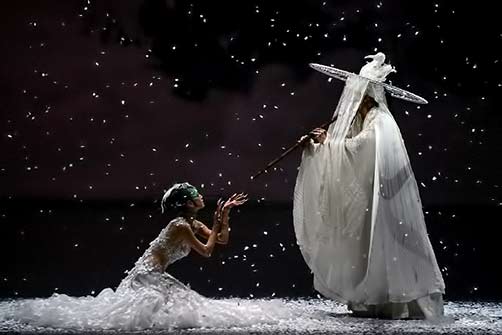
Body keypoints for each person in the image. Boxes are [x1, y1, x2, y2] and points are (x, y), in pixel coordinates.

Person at [0, 183, 295, 330]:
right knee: (180, 309)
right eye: (193, 193)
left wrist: (224, 216)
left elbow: (220, 239)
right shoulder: (179, 225)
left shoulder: (191, 223)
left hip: (156, 275)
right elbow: (206, 252)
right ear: (186, 204)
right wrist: (218, 218)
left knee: (190, 305)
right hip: (145, 277)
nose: (199, 194)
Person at [293, 53, 446, 319]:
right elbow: (357, 148)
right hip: (371, 196)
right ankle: (374, 301)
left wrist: (328, 144)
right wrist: (323, 144)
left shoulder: (379, 119)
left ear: (363, 95)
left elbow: (362, 148)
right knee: (368, 244)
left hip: (380, 198)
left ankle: (390, 300)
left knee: (381, 242)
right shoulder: (372, 118)